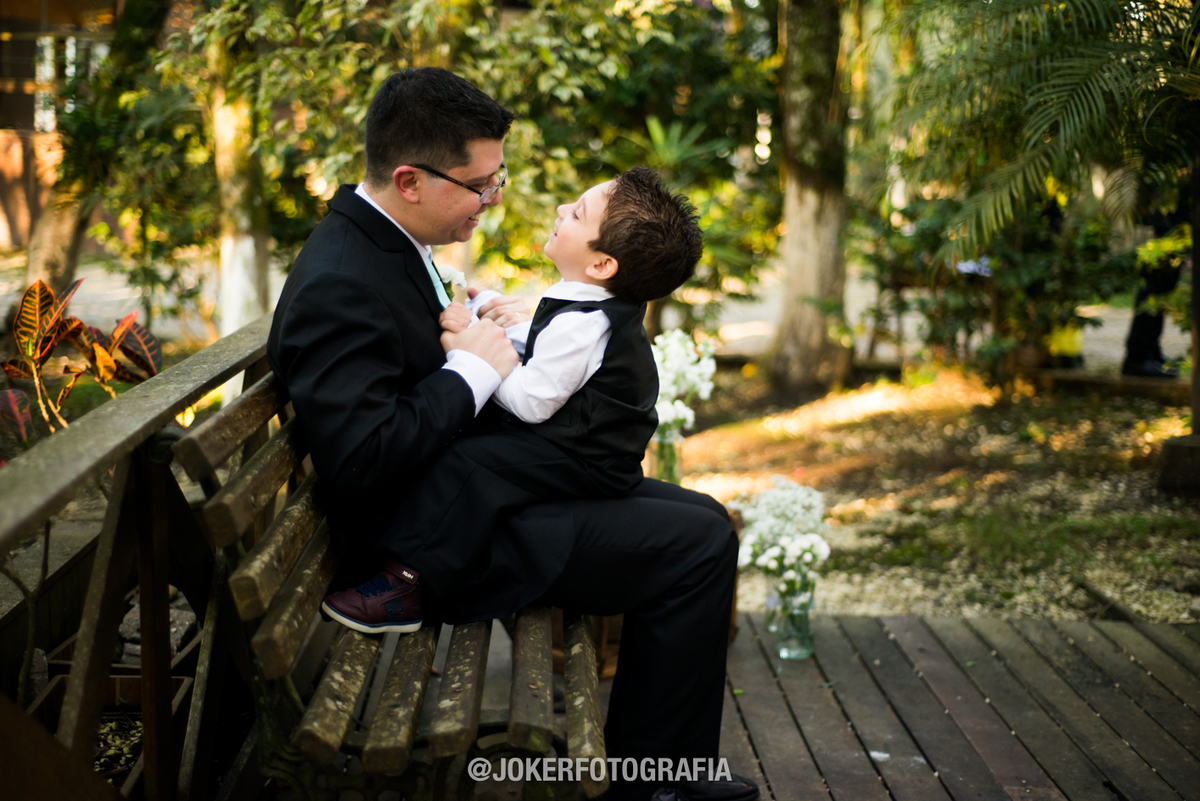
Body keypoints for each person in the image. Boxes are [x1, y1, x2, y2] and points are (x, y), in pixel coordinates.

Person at [266, 67, 755, 801]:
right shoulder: (343, 275)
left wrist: (489, 337)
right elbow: (363, 457)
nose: (494, 199)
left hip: (475, 489)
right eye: (482, 184)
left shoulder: (388, 242)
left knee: (705, 521)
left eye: (499, 177)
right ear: (410, 180)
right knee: (696, 546)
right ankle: (655, 783)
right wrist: (469, 373)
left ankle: (662, 773)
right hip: (434, 538)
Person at [320, 166, 705, 636]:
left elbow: (530, 402)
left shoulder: (585, 322)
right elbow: (557, 359)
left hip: (584, 457)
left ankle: (406, 586)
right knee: (479, 460)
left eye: (578, 213)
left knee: (473, 466)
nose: (563, 210)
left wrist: (477, 351)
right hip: (588, 447)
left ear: (602, 264)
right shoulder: (592, 303)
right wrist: (504, 323)